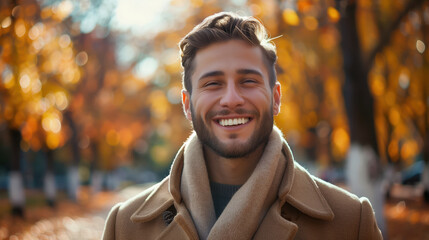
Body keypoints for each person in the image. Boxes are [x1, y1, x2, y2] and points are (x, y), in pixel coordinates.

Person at [102, 12, 382, 240]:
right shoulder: (126, 227)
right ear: (187, 104)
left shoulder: (350, 222)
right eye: (213, 83)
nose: (232, 99)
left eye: (248, 81)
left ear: (275, 98)